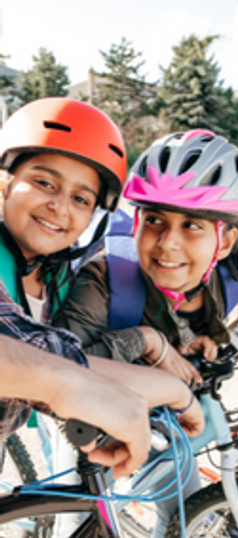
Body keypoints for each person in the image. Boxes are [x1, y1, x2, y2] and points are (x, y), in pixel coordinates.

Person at [52, 128, 238, 537]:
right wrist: (149, 342)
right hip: (84, 406)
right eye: (155, 220)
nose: (168, 244)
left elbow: (213, 322)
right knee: (79, 519)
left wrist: (206, 339)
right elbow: (56, 366)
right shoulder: (105, 281)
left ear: (226, 241)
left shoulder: (234, 276)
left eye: (193, 226)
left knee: (183, 516)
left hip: (162, 408)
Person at [0, 98, 204, 483]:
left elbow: (56, 359)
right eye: (44, 182)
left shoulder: (56, 277)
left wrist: (173, 378)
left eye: (81, 199)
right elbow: (30, 352)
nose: (60, 207)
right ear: (4, 184)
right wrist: (165, 383)